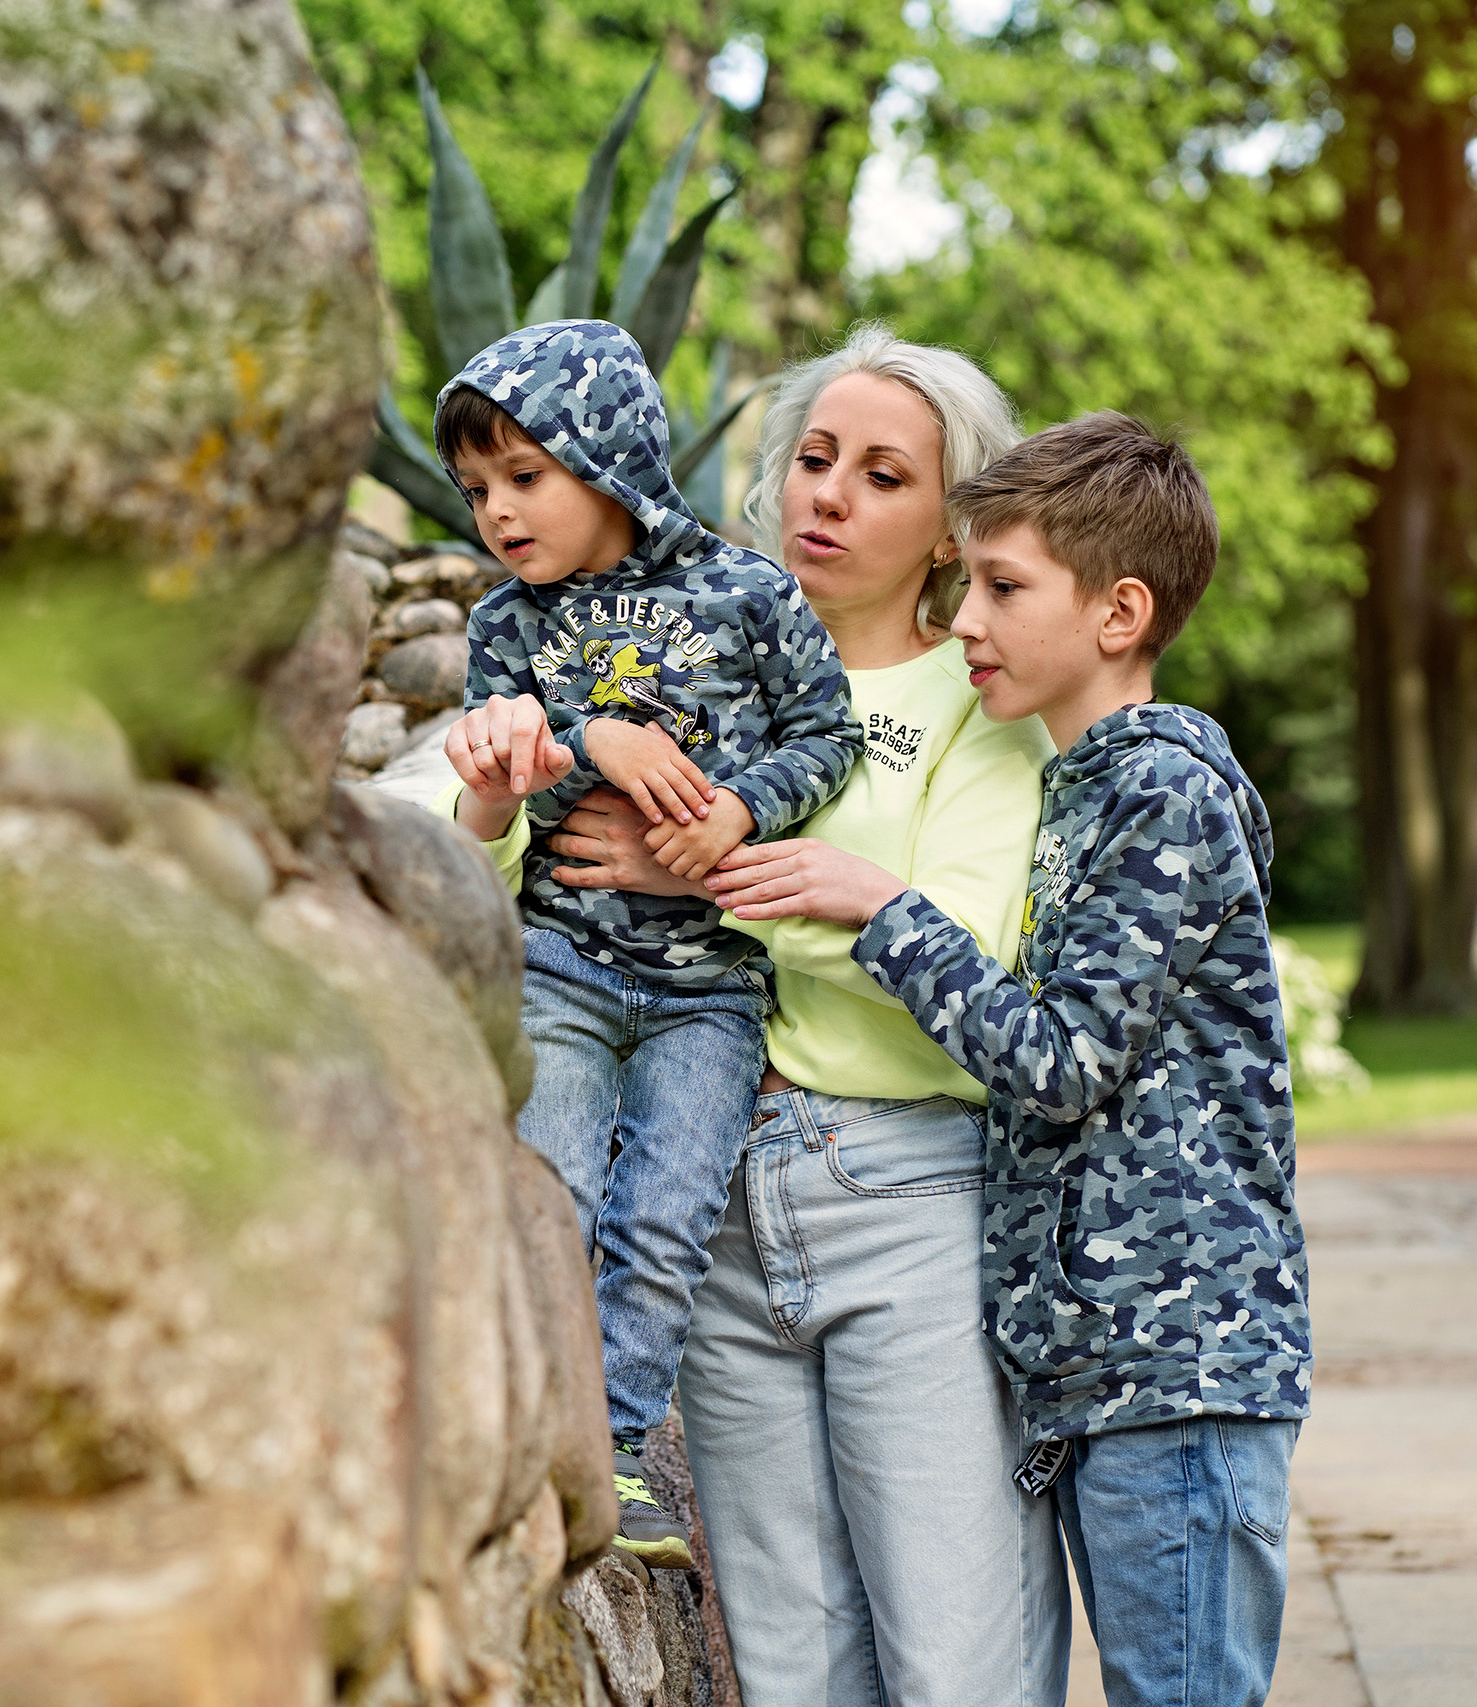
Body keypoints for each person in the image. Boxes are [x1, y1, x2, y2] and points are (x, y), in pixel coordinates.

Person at [459, 325, 1070, 1705]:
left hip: (903, 1197)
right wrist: (507, 797)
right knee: (786, 1659)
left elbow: (965, 955)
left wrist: (710, 887)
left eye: (882, 474)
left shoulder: (979, 705)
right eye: (811, 457)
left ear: (946, 526)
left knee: (955, 1649)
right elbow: (492, 868)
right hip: (718, 1200)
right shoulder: (642, 644)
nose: (829, 495)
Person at [709, 411, 1311, 1707]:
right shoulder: (1082, 786)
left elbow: (1061, 1057)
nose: (967, 618)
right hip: (1104, 1368)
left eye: (1003, 586)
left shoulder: (1163, 794)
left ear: (1118, 612)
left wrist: (878, 907)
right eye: (969, 580)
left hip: (1182, 1366)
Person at [432, 319, 863, 1568]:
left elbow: (825, 737)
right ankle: (531, 1433)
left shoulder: (747, 593)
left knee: (665, 1219)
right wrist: (590, 736)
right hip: (561, 963)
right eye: (476, 492)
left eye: (526, 477)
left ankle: (612, 1452)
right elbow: (493, 743)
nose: (499, 515)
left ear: (608, 458)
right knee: (553, 1188)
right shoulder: (506, 625)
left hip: (707, 996)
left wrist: (737, 808)